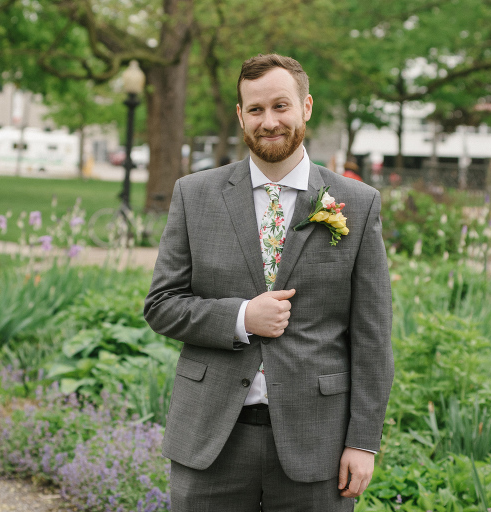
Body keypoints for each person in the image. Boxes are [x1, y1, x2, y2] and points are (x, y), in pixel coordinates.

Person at [144, 54, 393, 510]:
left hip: (318, 443)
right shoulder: (194, 195)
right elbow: (162, 304)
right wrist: (241, 317)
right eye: (255, 110)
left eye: (281, 106)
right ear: (240, 115)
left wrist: (363, 441)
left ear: (306, 107)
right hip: (211, 440)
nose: (269, 121)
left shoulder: (357, 204)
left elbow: (372, 336)